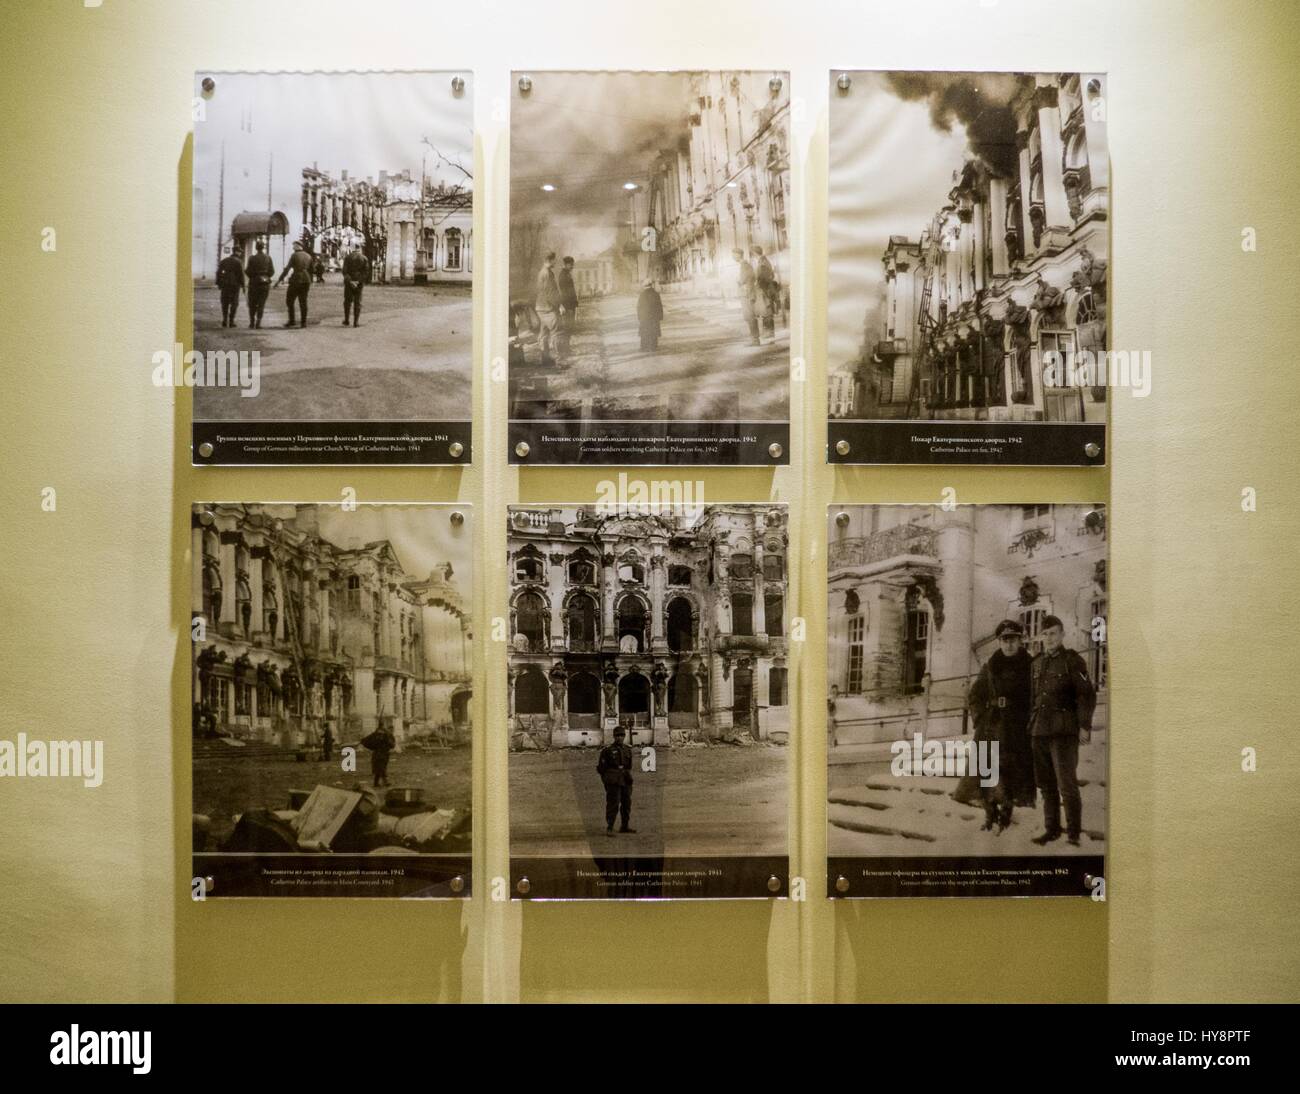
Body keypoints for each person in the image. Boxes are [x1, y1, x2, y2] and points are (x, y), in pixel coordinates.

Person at [959, 619, 1035, 831]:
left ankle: (1007, 811)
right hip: (991, 725)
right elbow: (974, 695)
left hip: (1018, 726)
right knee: (985, 771)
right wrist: (979, 718)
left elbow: (1036, 697)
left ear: (1020, 641)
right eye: (1004, 640)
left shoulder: (1030, 666)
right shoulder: (991, 666)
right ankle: (989, 812)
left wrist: (1029, 720)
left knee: (1012, 771)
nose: (1008, 644)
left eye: (1013, 640)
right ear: (1000, 642)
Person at [1028, 615, 1096, 846]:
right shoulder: (1036, 663)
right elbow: (1032, 698)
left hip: (1064, 731)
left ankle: (1074, 833)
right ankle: (1052, 829)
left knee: (1066, 784)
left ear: (1062, 634)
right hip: (1039, 730)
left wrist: (1084, 725)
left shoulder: (1073, 661)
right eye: (1045, 634)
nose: (1049, 638)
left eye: (1053, 633)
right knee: (1046, 785)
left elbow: (1086, 694)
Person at [596, 725, 636, 836]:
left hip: (625, 779)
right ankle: (610, 827)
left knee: (626, 803)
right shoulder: (607, 750)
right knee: (613, 803)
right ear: (614, 736)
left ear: (624, 736)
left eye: (622, 735)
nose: (620, 738)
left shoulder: (627, 750)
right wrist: (607, 781)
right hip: (613, 780)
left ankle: (624, 826)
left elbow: (629, 766)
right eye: (617, 735)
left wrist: (627, 777)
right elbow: (601, 769)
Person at [275, 241, 314, 328]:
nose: (293, 248)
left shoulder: (294, 256)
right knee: (303, 302)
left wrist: (279, 280)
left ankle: (292, 321)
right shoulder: (308, 256)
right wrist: (310, 280)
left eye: (294, 246)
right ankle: (303, 323)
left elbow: (287, 269)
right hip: (306, 280)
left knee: (290, 301)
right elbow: (312, 270)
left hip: (296, 280)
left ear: (297, 247)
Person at [534, 252, 562, 366]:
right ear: (549, 260)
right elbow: (550, 292)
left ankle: (545, 360)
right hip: (548, 308)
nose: (555, 262)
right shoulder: (547, 273)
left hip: (541, 308)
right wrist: (559, 305)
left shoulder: (542, 272)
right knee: (556, 333)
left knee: (544, 333)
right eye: (554, 260)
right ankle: (559, 361)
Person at [245, 241, 274, 328]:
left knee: (252, 303)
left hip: (254, 283)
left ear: (256, 248)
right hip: (264, 283)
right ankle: (258, 322)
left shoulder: (252, 258)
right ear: (263, 247)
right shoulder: (268, 258)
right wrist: (265, 276)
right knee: (261, 303)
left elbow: (247, 271)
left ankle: (252, 322)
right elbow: (272, 271)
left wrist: (253, 277)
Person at [734, 248, 759, 346]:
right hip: (746, 293)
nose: (733, 257)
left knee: (750, 316)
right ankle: (754, 339)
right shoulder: (744, 265)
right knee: (748, 317)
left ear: (739, 255)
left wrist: (738, 281)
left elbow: (743, 279)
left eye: (734, 255)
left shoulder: (744, 265)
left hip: (747, 294)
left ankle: (755, 340)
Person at [753, 245, 779, 341]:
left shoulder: (763, 262)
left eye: (753, 254)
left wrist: (758, 284)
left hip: (766, 289)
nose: (753, 256)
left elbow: (764, 277)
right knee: (766, 310)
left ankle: (770, 333)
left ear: (755, 253)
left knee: (767, 310)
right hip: (765, 288)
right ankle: (768, 332)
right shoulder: (763, 261)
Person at [216, 246, 245, 328]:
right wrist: (243, 286)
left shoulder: (224, 261)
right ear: (237, 252)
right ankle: (231, 321)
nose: (240, 253)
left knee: (225, 302)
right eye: (240, 252)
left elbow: (218, 272)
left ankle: (225, 320)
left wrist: (219, 283)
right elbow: (241, 275)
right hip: (235, 285)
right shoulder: (239, 262)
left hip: (225, 284)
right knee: (234, 303)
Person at [557, 255, 578, 359]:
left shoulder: (567, 274)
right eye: (571, 264)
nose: (572, 266)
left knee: (569, 328)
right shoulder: (563, 276)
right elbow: (564, 293)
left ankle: (567, 349)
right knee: (566, 328)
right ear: (566, 264)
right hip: (567, 305)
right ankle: (565, 351)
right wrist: (567, 306)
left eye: (573, 264)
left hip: (570, 304)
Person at [341, 246, 368, 327]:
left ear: (352, 249)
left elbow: (344, 271)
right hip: (359, 284)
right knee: (358, 302)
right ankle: (356, 322)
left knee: (347, 301)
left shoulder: (347, 257)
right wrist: (358, 281)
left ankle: (347, 320)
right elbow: (366, 272)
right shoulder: (364, 258)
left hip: (349, 283)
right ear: (359, 249)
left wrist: (350, 281)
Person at [637, 280, 663, 351]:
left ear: (645, 286)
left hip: (644, 317)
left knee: (645, 332)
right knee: (653, 331)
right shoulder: (656, 294)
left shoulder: (642, 294)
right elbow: (659, 306)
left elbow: (639, 307)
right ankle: (653, 346)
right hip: (654, 317)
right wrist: (660, 316)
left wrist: (639, 316)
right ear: (651, 285)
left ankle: (644, 346)